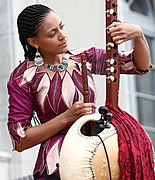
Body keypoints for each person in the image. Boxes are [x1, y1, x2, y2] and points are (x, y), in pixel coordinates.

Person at [7, 4, 152, 180]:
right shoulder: (23, 77)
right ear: (33, 42)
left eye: (62, 26)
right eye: (52, 34)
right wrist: (67, 117)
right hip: (58, 164)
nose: (62, 36)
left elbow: (138, 65)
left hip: (98, 153)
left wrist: (139, 35)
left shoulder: (84, 57)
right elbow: (20, 139)